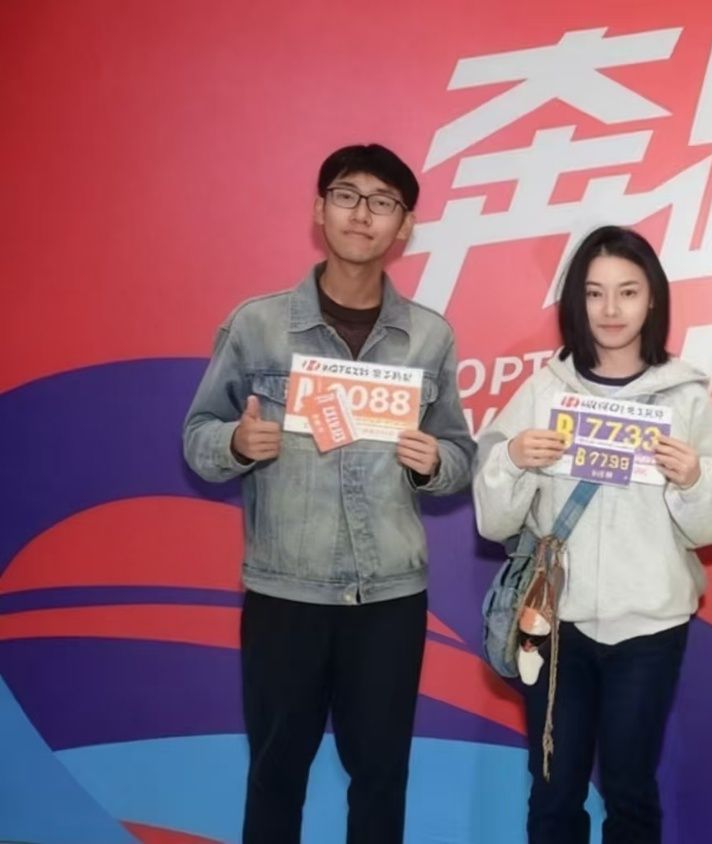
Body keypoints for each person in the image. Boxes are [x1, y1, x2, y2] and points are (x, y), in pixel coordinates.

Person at [182, 143, 475, 844]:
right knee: (275, 774)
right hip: (287, 591)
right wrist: (235, 444)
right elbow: (197, 436)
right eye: (346, 195)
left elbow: (460, 455)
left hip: (389, 598)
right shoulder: (257, 325)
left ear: (405, 225)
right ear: (320, 210)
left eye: (383, 202)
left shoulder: (428, 337)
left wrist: (435, 462)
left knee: (381, 778)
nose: (362, 214)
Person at [472, 225, 712, 844]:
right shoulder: (544, 390)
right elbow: (493, 523)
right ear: (575, 301)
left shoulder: (686, 398)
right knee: (553, 790)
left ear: (652, 299)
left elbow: (711, 529)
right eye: (594, 293)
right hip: (555, 624)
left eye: (628, 292)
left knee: (630, 788)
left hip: (649, 626)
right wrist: (513, 459)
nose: (611, 309)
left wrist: (694, 479)